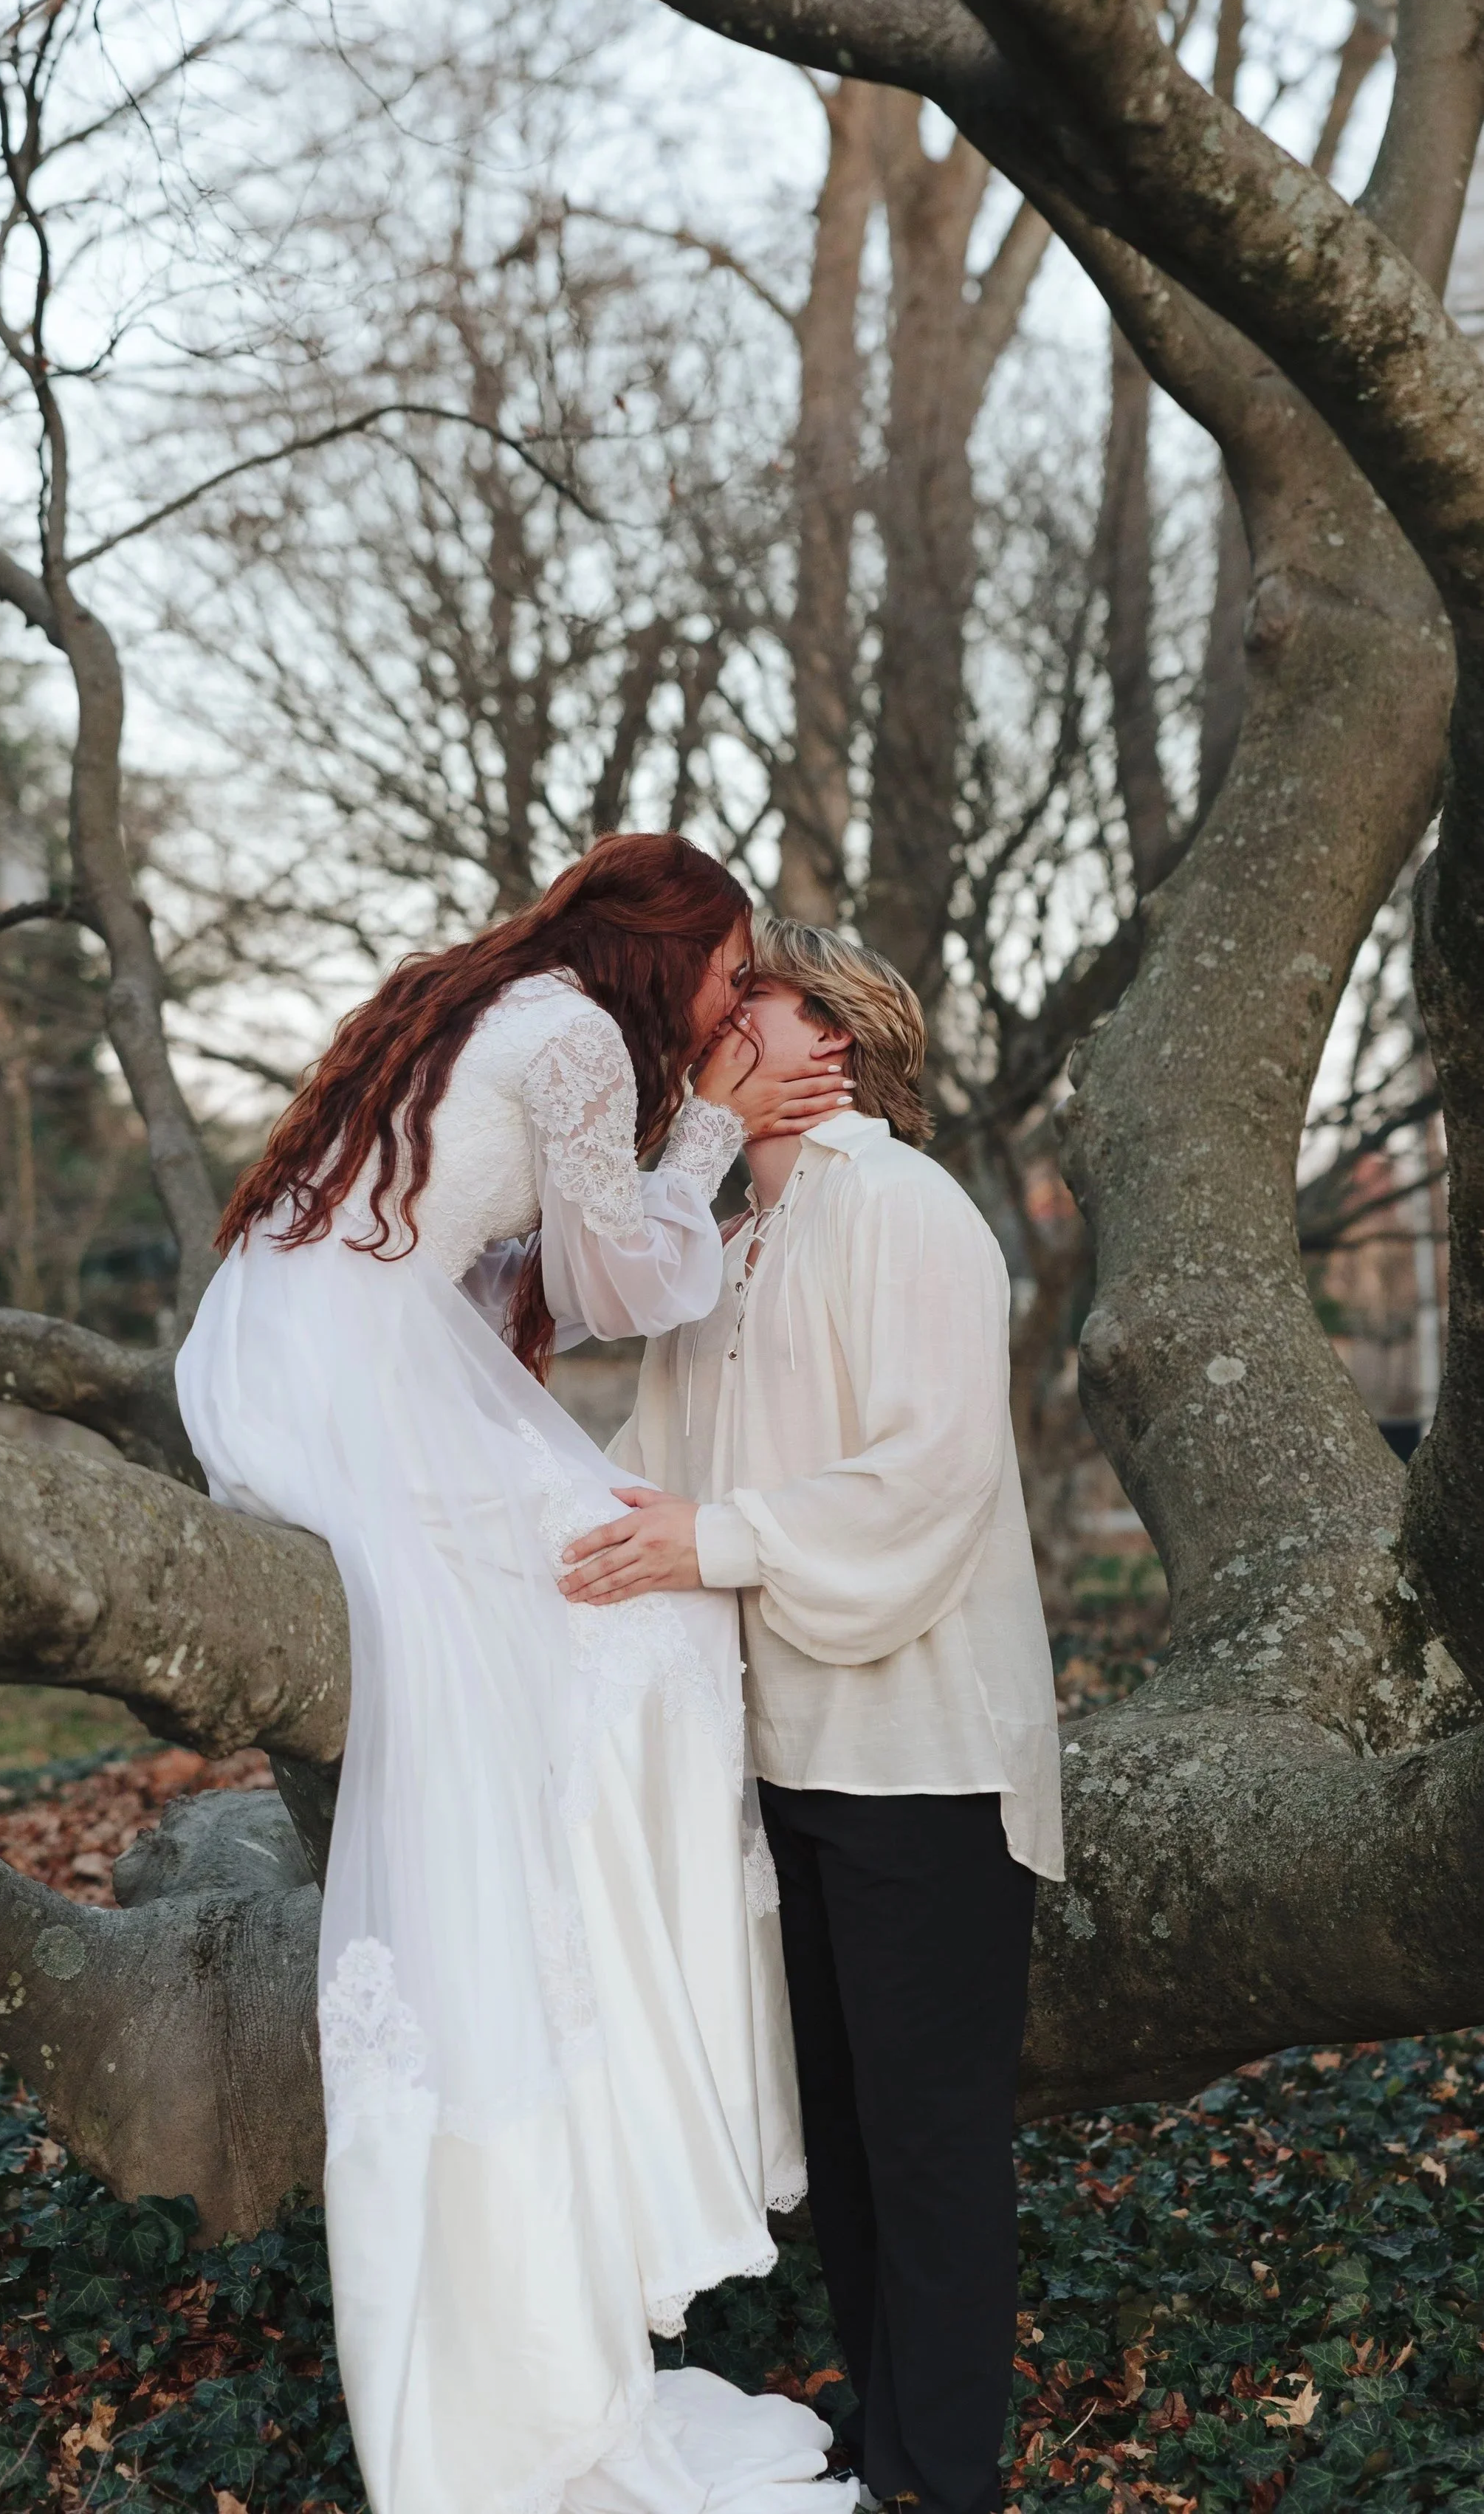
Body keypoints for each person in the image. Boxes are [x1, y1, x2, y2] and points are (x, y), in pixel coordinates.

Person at [175, 838, 862, 2514]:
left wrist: (691, 1109)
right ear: (666, 949)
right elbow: (623, 1283)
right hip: (350, 1381)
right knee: (657, 1609)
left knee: (610, 1592)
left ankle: (613, 1952)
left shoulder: (501, 998)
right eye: (725, 968)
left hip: (284, 1355)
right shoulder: (566, 1034)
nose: (731, 994)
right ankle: (638, 1964)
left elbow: (532, 1262)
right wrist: (712, 1114)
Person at [561, 919, 1064, 2514]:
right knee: (842, 2132)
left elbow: (925, 1473)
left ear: (829, 1038)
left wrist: (712, 1539)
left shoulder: (907, 1210)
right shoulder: (730, 1240)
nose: (711, 1019)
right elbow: (660, 1454)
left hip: (926, 1754)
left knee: (925, 2136)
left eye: (745, 998)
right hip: (781, 1753)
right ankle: (890, 2454)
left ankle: (948, 2478)